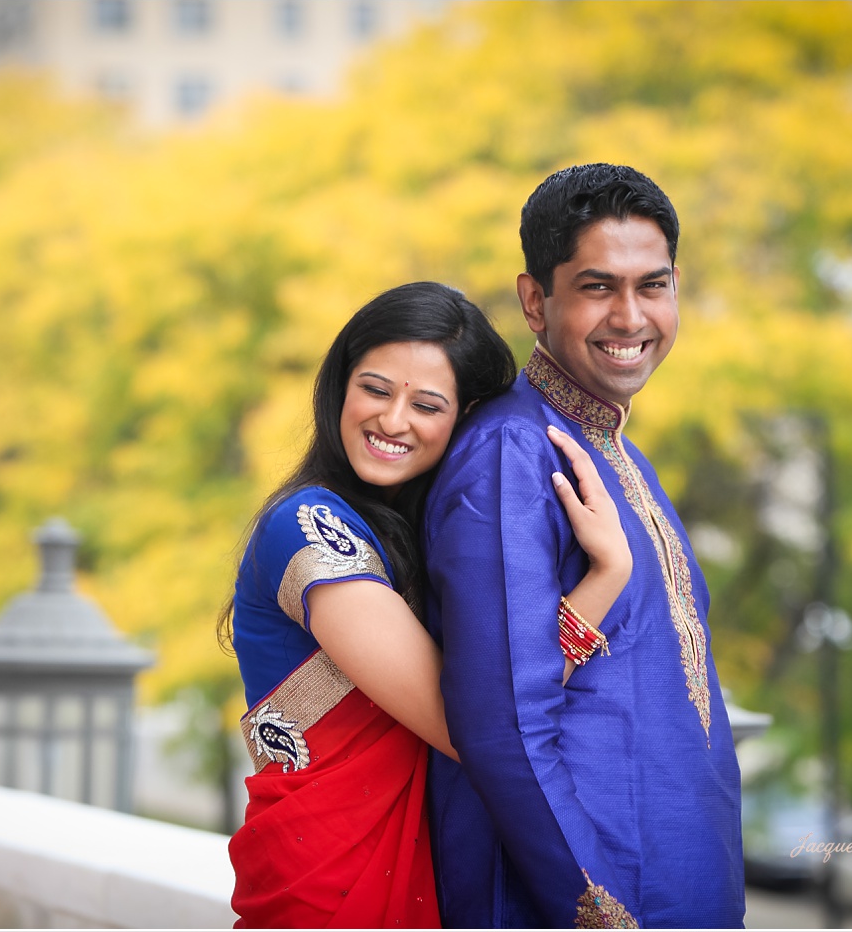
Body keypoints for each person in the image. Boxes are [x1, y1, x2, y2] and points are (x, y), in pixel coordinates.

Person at [222, 281, 633, 928]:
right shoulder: (307, 524)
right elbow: (471, 721)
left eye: (427, 404)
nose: (392, 420)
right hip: (327, 885)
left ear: (464, 417)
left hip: (431, 872)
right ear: (341, 384)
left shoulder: (430, 539)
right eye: (377, 389)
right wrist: (606, 577)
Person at [423, 165, 746, 928]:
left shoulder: (619, 452)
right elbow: (503, 721)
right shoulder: (511, 454)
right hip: (583, 902)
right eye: (598, 287)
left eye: (654, 285)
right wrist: (598, 909)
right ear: (536, 300)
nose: (631, 316)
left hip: (679, 889)